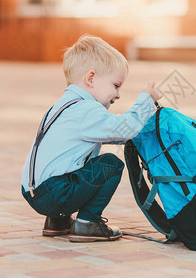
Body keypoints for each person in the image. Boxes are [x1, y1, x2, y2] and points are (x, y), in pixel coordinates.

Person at [21, 35, 162, 242]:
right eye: (116, 85)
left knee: (72, 165)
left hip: (33, 192)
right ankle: (88, 223)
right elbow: (122, 130)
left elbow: (108, 134)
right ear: (91, 79)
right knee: (110, 164)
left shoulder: (63, 106)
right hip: (56, 193)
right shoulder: (86, 110)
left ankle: (57, 222)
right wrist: (146, 101)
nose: (118, 95)